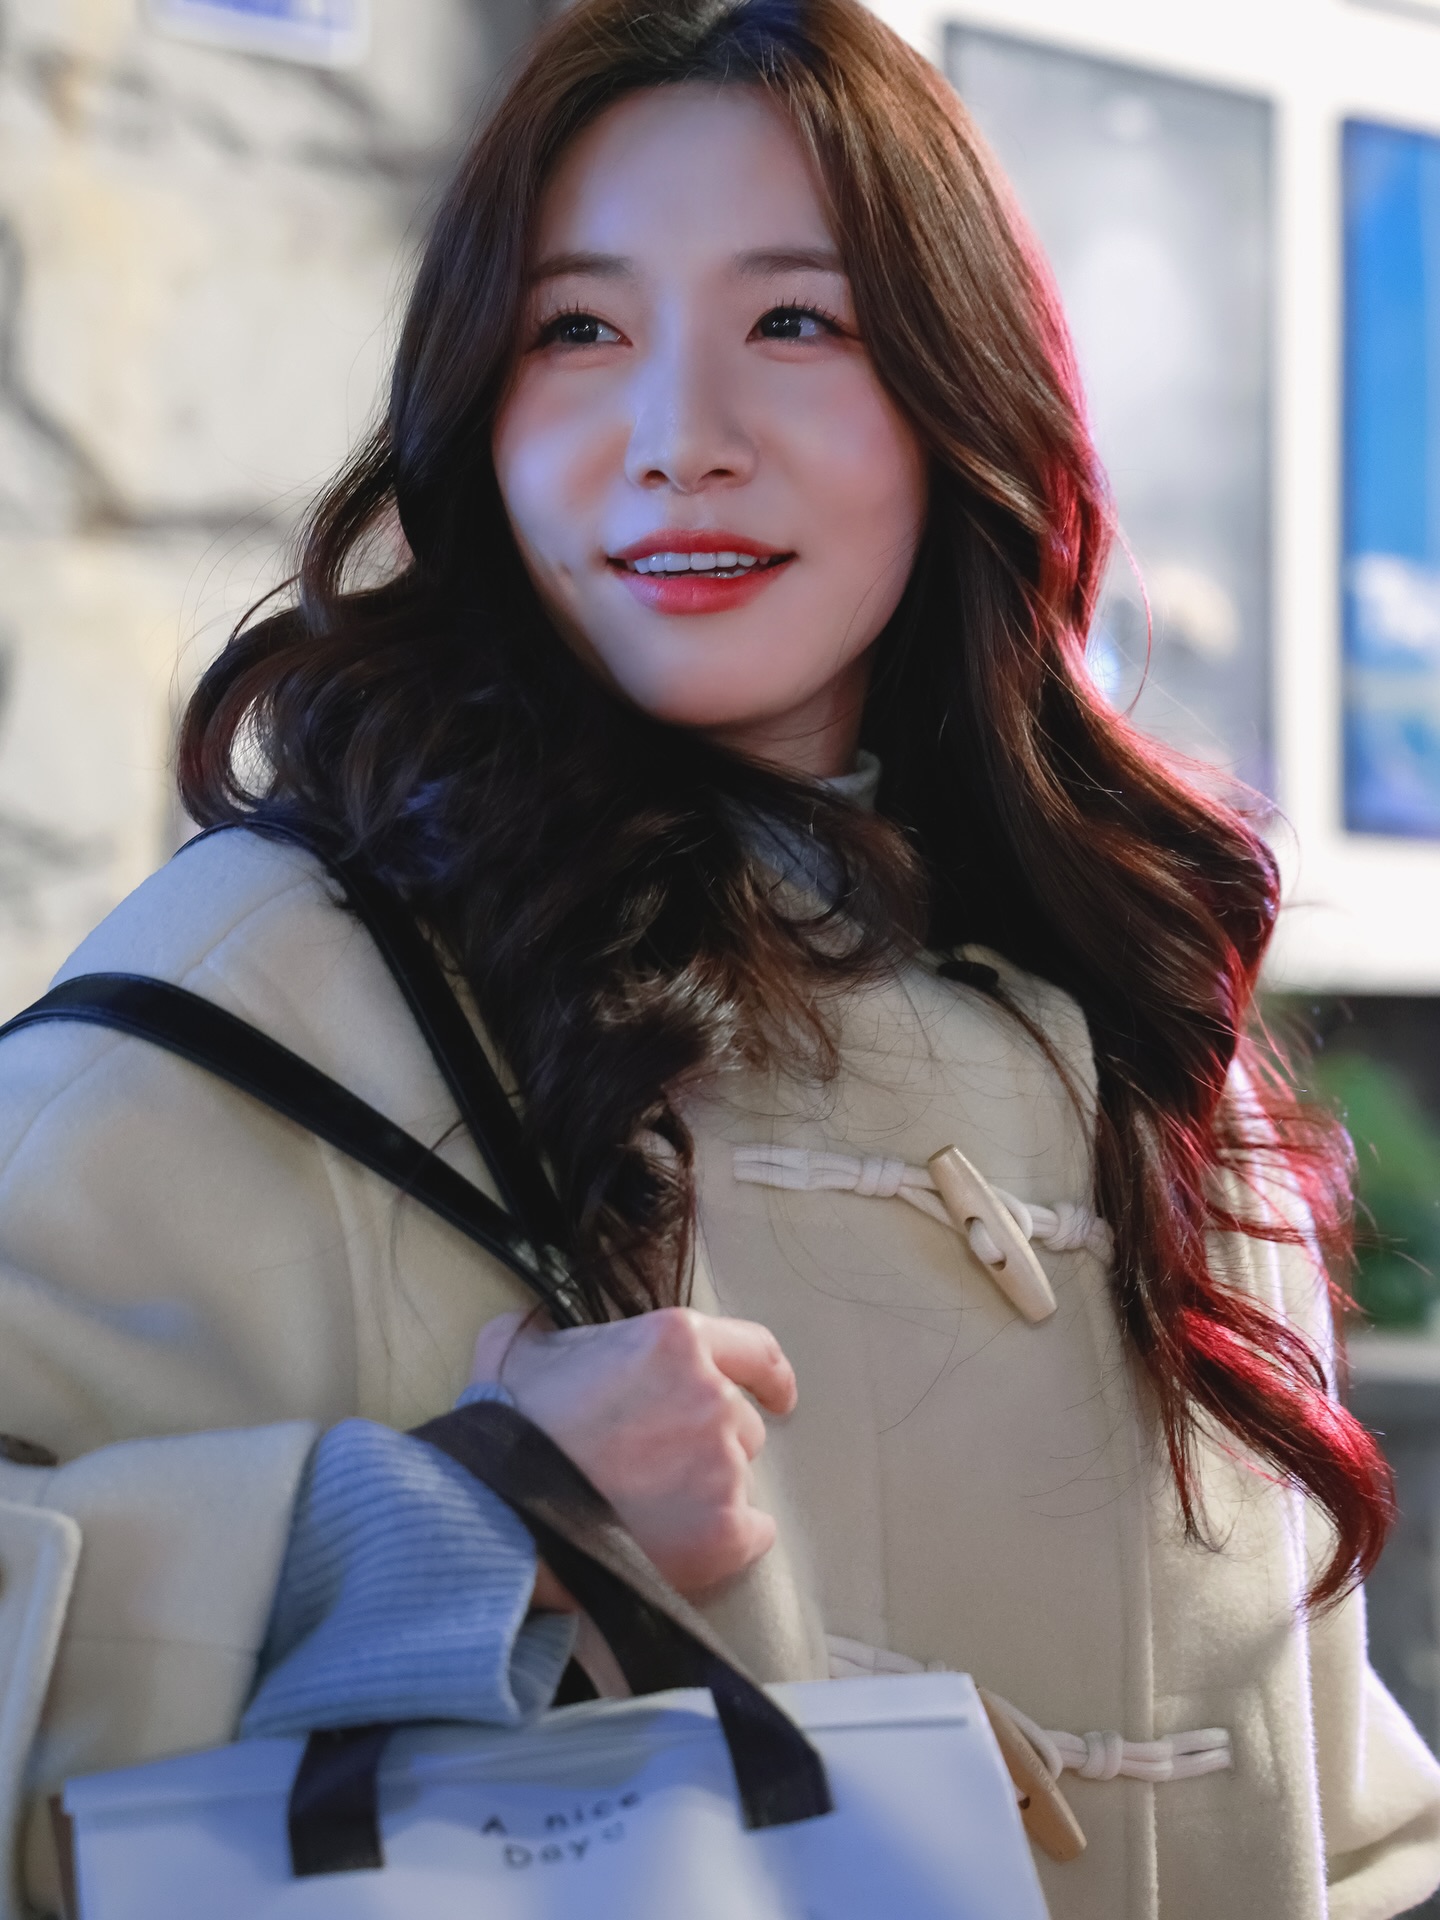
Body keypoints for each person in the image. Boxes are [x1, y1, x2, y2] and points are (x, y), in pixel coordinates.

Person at [0, 0, 1437, 1913]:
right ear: (477, 411)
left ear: (957, 391)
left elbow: (1338, 1807)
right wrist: (448, 1519)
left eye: (797, 323)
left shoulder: (1142, 1018)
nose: (681, 441)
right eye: (577, 332)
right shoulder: (283, 989)